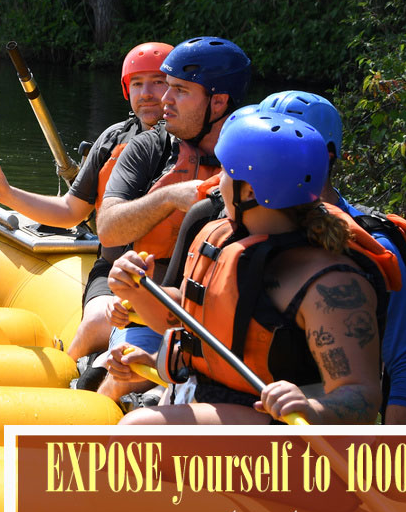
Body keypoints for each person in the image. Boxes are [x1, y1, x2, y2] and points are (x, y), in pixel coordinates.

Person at [108, 109, 385, 425]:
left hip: (283, 432)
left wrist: (312, 408)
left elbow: (361, 396)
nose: (216, 183)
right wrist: (138, 289)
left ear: (250, 191)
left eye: (226, 172)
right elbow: (188, 317)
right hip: (213, 397)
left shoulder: (330, 285)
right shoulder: (221, 235)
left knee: (138, 427)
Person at [0, 42, 173, 364]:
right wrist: (7, 194)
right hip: (113, 269)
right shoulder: (113, 139)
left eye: (157, 81)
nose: (147, 92)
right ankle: (69, 381)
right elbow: (70, 212)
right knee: (96, 322)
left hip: (171, 273)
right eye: (137, 83)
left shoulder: (193, 145)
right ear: (127, 90)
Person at [91, 37, 251, 399]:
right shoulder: (151, 146)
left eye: (179, 90)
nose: (164, 100)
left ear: (220, 102)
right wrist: (167, 198)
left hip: (209, 319)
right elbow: (109, 229)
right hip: (150, 308)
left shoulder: (255, 160)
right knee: (114, 376)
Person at [259, 91, 406, 424]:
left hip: (324, 414)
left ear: (326, 156)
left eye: (285, 151)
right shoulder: (235, 218)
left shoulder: (372, 246)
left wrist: (395, 455)